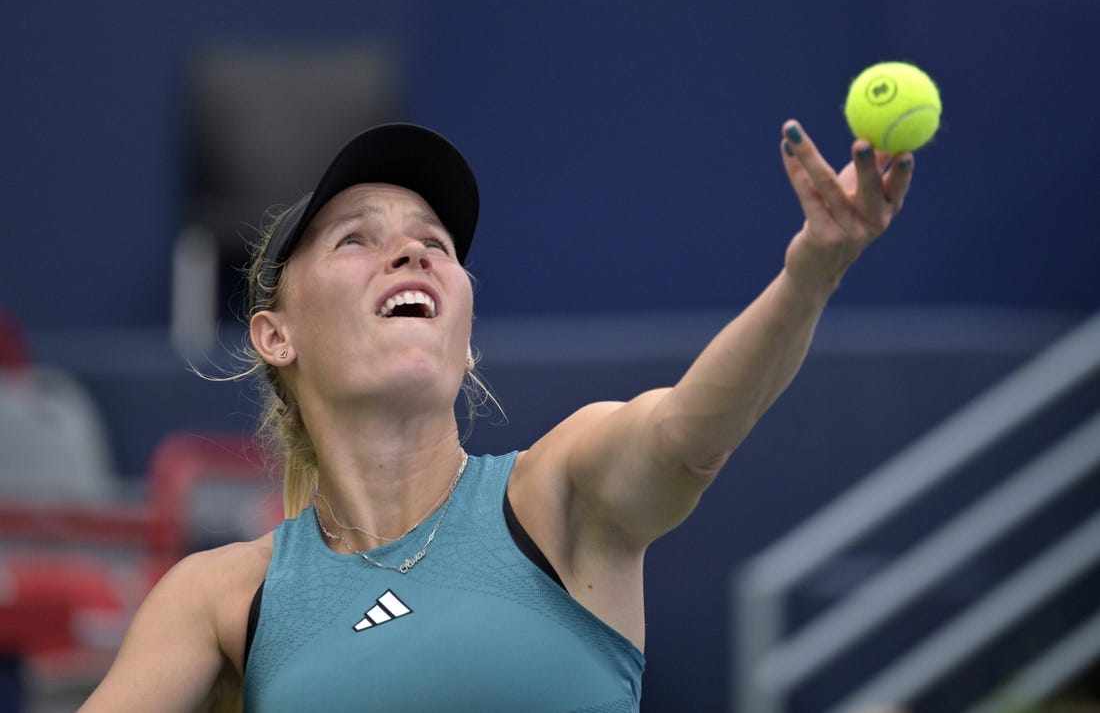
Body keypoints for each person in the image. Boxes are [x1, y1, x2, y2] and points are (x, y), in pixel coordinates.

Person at [80, 119, 913, 712]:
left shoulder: (559, 496)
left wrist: (810, 277)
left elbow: (686, 435)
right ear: (276, 335)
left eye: (434, 242)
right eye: (354, 240)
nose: (413, 251)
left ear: (465, 342)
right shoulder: (225, 597)